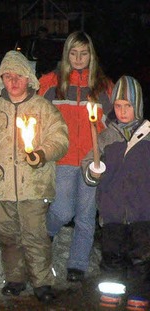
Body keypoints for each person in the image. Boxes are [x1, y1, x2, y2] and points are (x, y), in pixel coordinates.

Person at [0, 50, 69, 303]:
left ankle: (42, 281)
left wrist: (43, 153)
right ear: (0, 80)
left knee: (35, 236)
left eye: (19, 76)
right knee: (8, 236)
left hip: (33, 186)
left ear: (29, 79)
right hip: (1, 185)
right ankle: (15, 279)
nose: (13, 82)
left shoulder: (43, 109)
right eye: (8, 76)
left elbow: (59, 138)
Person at [38, 31, 113, 282]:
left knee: (85, 214)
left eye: (84, 53)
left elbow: (114, 123)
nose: (79, 58)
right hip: (63, 159)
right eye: (74, 53)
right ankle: (44, 233)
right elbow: (33, 111)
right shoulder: (52, 83)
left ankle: (77, 265)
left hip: (92, 160)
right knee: (62, 210)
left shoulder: (103, 87)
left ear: (91, 55)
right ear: (66, 54)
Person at [81, 76, 150, 302]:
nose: (122, 111)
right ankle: (111, 293)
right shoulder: (105, 137)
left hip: (143, 212)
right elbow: (89, 164)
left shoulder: (148, 137)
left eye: (127, 106)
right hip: (112, 212)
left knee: (141, 257)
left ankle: (138, 294)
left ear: (137, 106)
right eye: (118, 106)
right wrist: (93, 170)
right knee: (112, 255)